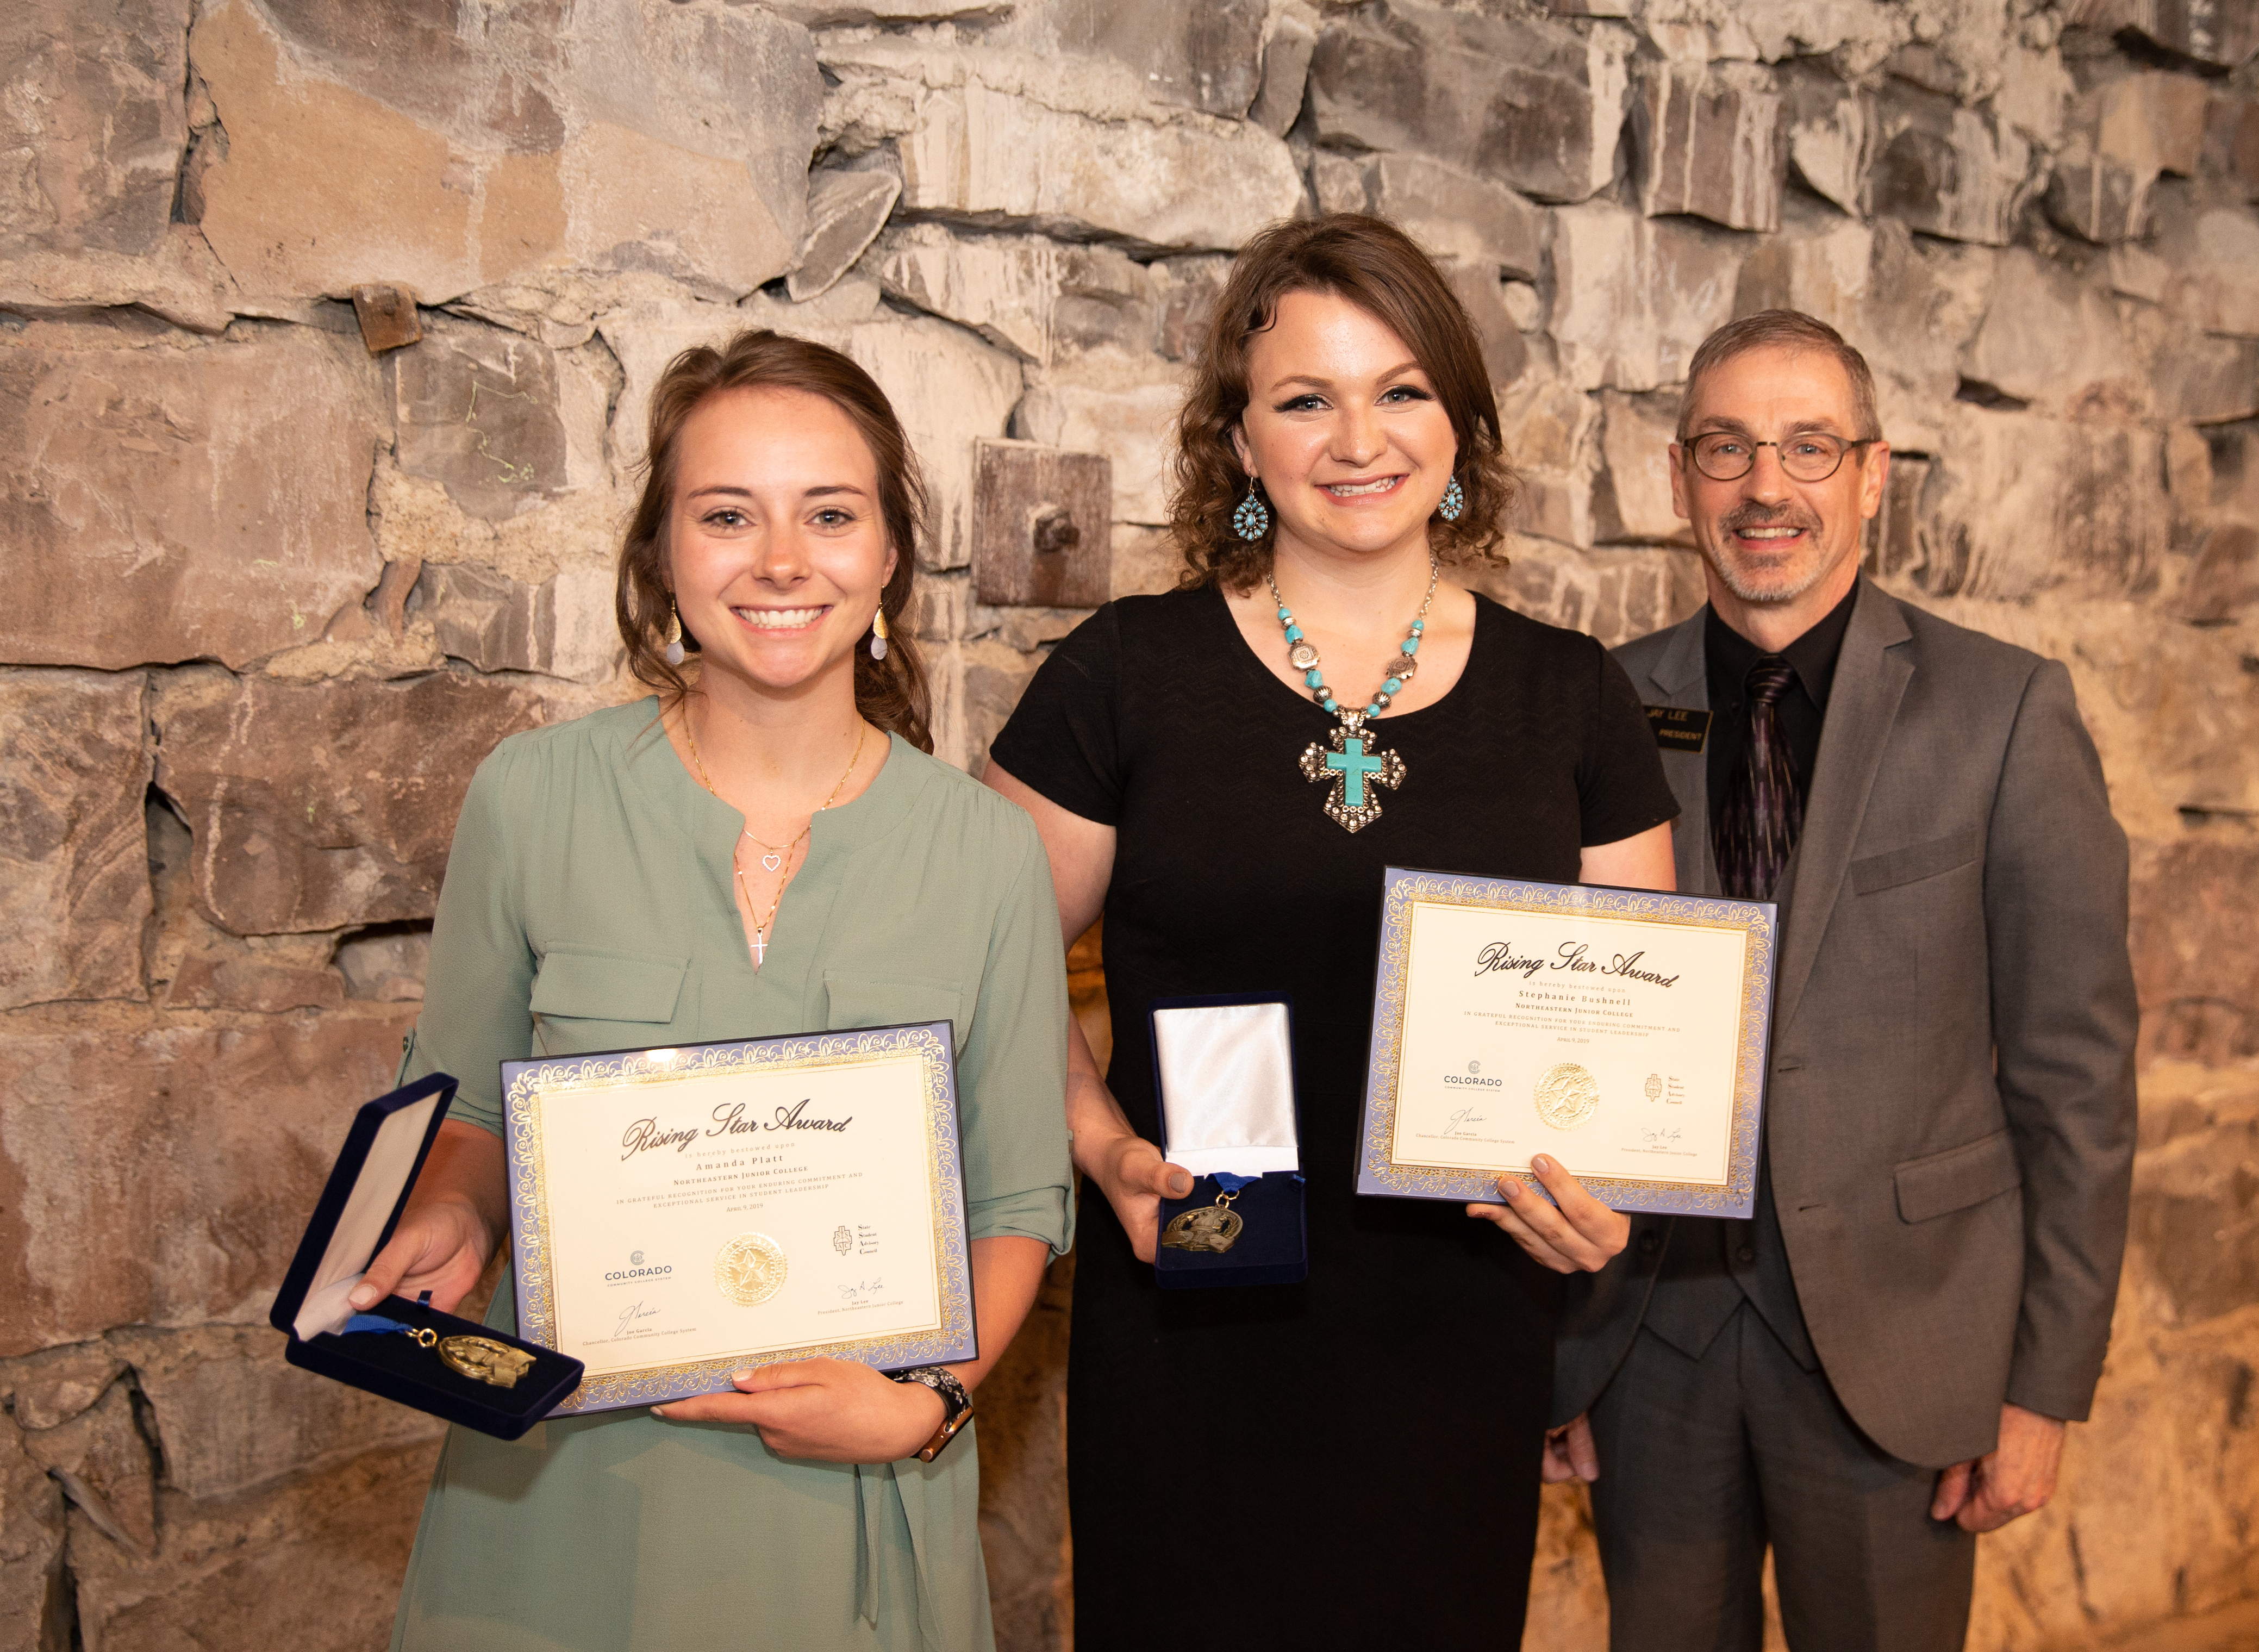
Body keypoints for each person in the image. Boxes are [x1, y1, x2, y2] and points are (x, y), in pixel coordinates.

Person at [982, 213, 1680, 1645]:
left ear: (1459, 426)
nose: (1356, 437)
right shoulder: (1126, 676)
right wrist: (1099, 1142)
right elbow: (979, 966)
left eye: (1401, 389)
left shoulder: (1569, 701)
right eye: (1304, 398)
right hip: (1196, 1300)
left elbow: (1638, 1037)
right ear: (1238, 444)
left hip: (1458, 1335)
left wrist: (1610, 1196)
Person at [353, 330, 1072, 1652]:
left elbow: (1020, 1196)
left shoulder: (985, 851)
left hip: (851, 1498)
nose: (782, 559)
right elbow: (460, 1101)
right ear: (661, 555)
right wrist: (456, 1215)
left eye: (830, 514)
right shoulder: (534, 796)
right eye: (728, 513)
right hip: (558, 1489)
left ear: (889, 555)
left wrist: (930, 1404)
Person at [1553, 309, 2138, 1650]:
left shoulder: (2005, 711)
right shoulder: (1597, 706)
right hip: (1652, 1345)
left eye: (1808, 446)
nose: (1766, 486)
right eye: (1727, 448)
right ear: (1677, 476)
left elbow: (2076, 1078)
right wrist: (1557, 1347)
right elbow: (1552, 1023)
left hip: (1903, 1351)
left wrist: (2041, 1385)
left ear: (1873, 477)